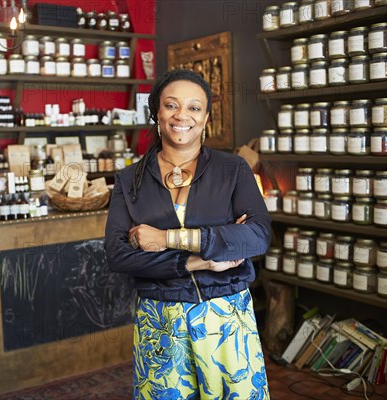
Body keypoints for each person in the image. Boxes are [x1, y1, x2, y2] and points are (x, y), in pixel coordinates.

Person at [105, 69, 271, 400]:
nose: (182, 115)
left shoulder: (232, 169)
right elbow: (118, 255)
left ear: (206, 116)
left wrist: (167, 239)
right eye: (171, 105)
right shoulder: (128, 180)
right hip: (161, 322)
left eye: (194, 107)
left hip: (225, 318)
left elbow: (257, 237)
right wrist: (201, 262)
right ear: (157, 113)